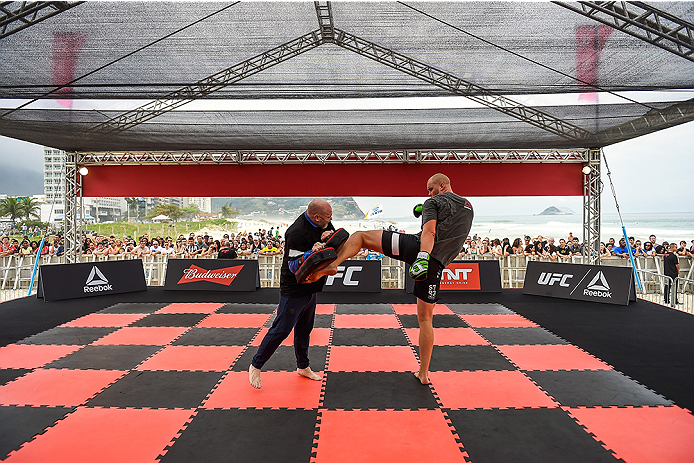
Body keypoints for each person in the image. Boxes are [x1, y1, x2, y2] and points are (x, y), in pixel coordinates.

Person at [306, 173, 473, 385]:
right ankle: (424, 373)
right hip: (437, 265)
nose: (428, 194)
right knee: (426, 320)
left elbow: (430, 232)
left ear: (442, 185)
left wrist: (421, 255)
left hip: (418, 249)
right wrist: (423, 214)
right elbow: (451, 230)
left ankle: (331, 265)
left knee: (361, 236)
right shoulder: (467, 206)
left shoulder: (433, 201)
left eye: (430, 189)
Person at [249, 198, 335, 389]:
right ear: (316, 216)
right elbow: (294, 264)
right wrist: (309, 252)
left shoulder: (325, 223)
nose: (331, 220)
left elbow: (332, 243)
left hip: (311, 285)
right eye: (328, 217)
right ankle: (256, 364)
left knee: (305, 328)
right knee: (281, 329)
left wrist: (329, 237)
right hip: (294, 287)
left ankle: (303, 366)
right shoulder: (296, 232)